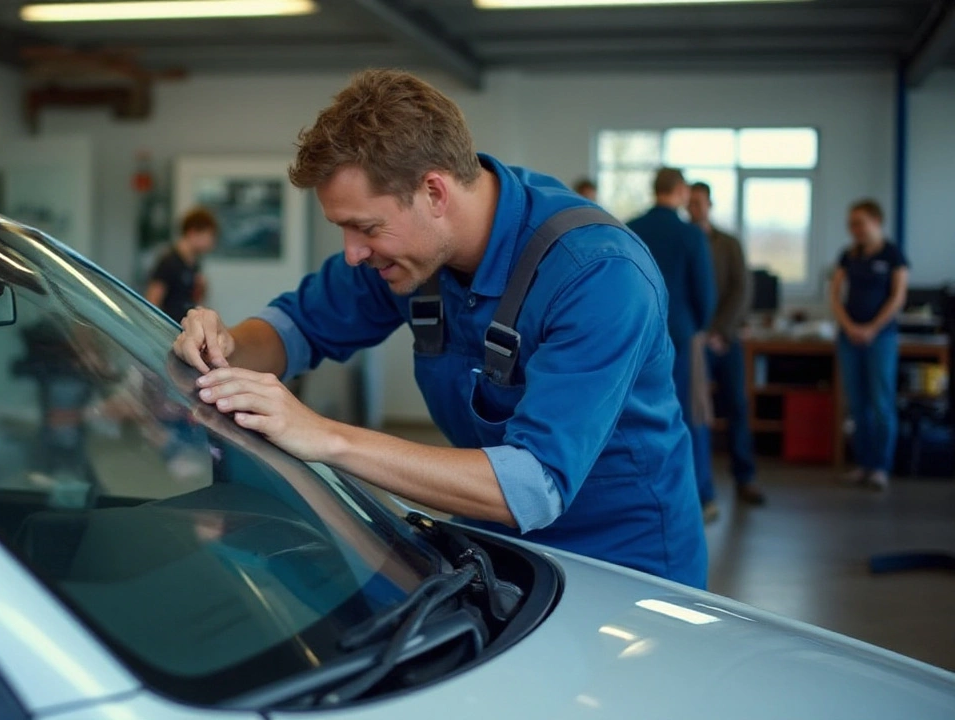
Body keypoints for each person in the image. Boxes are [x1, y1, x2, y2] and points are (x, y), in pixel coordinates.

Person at [172, 70, 707, 588]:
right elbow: (297, 328)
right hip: (494, 545)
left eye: (366, 228)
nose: (353, 254)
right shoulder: (406, 256)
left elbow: (532, 486)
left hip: (625, 565)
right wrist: (227, 343)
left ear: (434, 192)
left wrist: (325, 436)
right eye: (344, 229)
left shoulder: (599, 275)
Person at [627, 169, 719, 522]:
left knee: (643, 416)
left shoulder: (631, 227)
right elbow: (706, 295)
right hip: (681, 335)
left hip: (639, 337)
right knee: (690, 414)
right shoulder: (690, 235)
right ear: (680, 191)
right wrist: (696, 326)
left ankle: (649, 497)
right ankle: (701, 496)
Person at [688, 182, 765, 506]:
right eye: (689, 203)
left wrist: (720, 330)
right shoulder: (684, 241)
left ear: (710, 204)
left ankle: (744, 478)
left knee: (737, 406)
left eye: (699, 203)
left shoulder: (728, 244)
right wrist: (701, 333)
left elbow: (741, 290)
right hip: (694, 342)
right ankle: (698, 487)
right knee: (694, 413)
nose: (694, 208)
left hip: (727, 339)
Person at [831, 199, 909, 491]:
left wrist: (872, 328)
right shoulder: (849, 255)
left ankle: (881, 466)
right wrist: (850, 327)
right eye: (851, 224)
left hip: (881, 337)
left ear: (877, 222)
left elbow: (897, 297)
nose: (855, 230)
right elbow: (835, 295)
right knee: (858, 404)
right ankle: (862, 463)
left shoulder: (893, 255)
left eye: (860, 223)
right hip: (850, 337)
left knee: (881, 403)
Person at [145, 207, 217, 320]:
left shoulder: (194, 264)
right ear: (193, 233)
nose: (211, 242)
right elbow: (152, 300)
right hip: (169, 328)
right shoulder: (169, 262)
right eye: (209, 235)